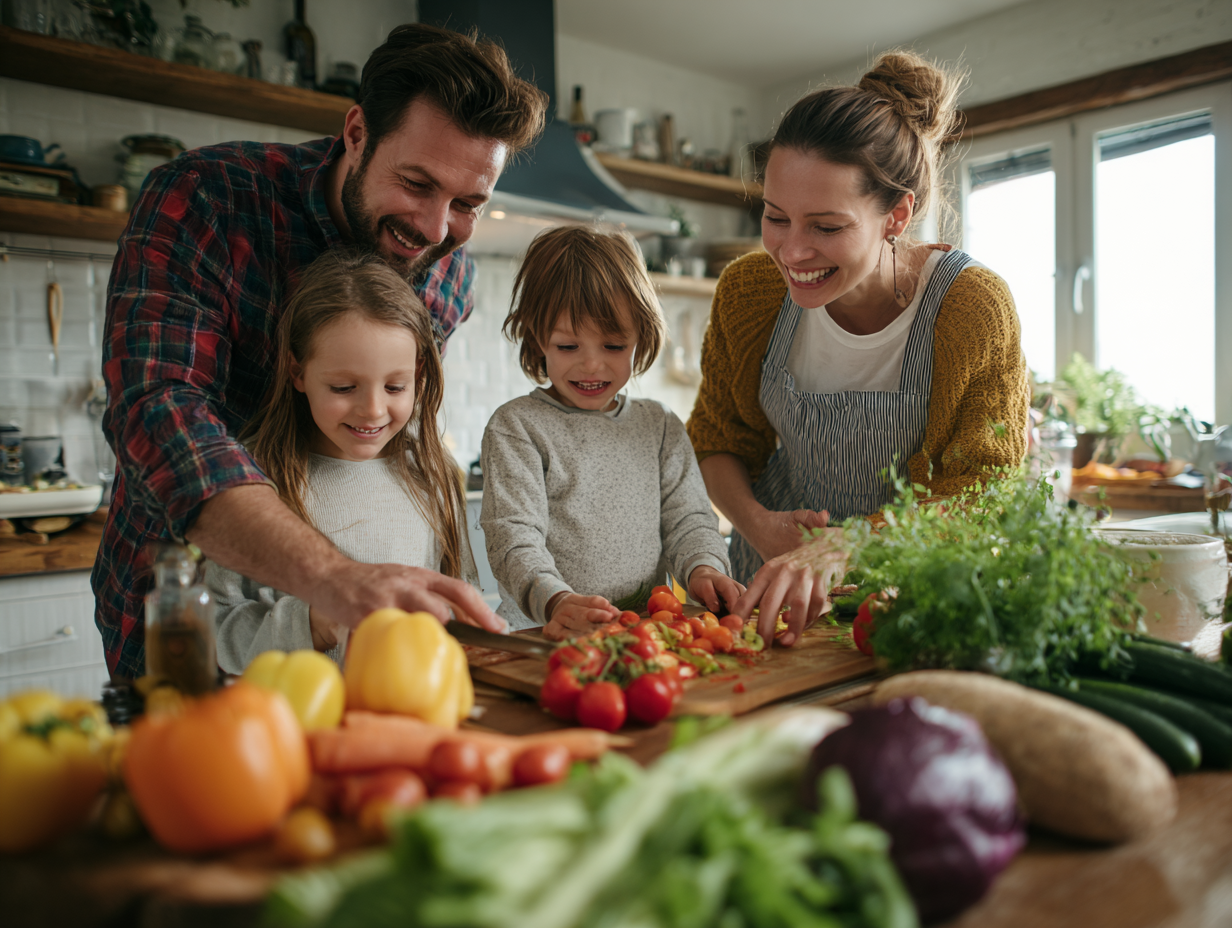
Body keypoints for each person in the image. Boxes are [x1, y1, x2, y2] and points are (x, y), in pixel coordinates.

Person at [95, 24, 546, 679]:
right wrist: (331, 580)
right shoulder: (206, 199)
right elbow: (159, 408)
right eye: (417, 183)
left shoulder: (448, 274)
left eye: (468, 203)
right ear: (356, 133)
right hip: (184, 619)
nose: (435, 229)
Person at [687, 50, 1030, 648]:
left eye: (825, 227)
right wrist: (761, 527)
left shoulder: (972, 307)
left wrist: (848, 545)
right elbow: (719, 440)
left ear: (896, 215)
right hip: (765, 593)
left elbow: (985, 490)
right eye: (775, 217)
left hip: (906, 608)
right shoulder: (748, 292)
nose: (792, 251)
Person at [206, 251, 484, 673]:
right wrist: (314, 624)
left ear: (419, 373)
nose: (372, 410)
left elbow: (461, 606)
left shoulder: (431, 473)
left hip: (411, 716)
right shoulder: (252, 478)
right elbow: (218, 629)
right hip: (297, 725)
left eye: (395, 386)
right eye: (343, 387)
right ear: (297, 372)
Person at [480, 226, 743, 640]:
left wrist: (705, 568)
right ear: (537, 337)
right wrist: (557, 602)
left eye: (614, 346)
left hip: (647, 635)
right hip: (547, 636)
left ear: (641, 336)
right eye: (568, 347)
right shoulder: (518, 427)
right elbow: (513, 539)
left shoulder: (659, 427)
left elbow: (689, 522)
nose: (591, 366)